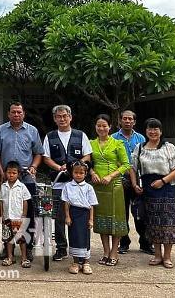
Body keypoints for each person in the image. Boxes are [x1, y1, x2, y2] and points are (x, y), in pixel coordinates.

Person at [130, 118, 175, 269]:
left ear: (161, 131)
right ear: (145, 131)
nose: (153, 132)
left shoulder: (168, 147)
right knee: (152, 223)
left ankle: (167, 257)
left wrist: (163, 181)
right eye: (150, 128)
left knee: (167, 223)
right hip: (148, 190)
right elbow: (132, 168)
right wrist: (135, 184)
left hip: (166, 189)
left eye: (156, 129)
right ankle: (157, 255)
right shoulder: (140, 147)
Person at [0, 101, 44, 261]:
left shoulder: (32, 130)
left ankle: (27, 248)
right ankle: (7, 247)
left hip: (26, 178)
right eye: (13, 112)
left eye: (19, 112)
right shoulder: (1, 130)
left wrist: (34, 166)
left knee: (27, 214)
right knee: (7, 213)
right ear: (8, 114)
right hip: (7, 176)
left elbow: (38, 152)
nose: (16, 115)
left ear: (24, 114)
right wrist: (1, 172)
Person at [42, 105, 92, 261]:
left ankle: (81, 249)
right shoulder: (50, 136)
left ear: (70, 117)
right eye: (58, 116)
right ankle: (61, 248)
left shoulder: (80, 135)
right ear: (55, 119)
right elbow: (46, 158)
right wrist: (59, 167)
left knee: (79, 217)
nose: (62, 119)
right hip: (58, 184)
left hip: (78, 185)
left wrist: (74, 167)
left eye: (65, 116)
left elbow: (87, 156)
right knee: (58, 218)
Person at [90, 114, 130, 267]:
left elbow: (126, 164)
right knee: (101, 219)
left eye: (104, 126)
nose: (101, 128)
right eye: (99, 125)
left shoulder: (117, 143)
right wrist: (92, 173)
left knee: (115, 218)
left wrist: (111, 176)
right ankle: (105, 251)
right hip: (97, 186)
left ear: (110, 127)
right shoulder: (90, 143)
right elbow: (87, 162)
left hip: (114, 186)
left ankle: (114, 252)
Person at [112, 110, 153, 255]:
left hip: (138, 179)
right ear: (120, 120)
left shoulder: (141, 138)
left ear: (134, 122)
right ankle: (124, 243)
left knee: (140, 213)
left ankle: (145, 243)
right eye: (125, 119)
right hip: (120, 179)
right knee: (121, 213)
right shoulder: (113, 138)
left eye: (130, 119)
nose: (127, 121)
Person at [62, 160, 98, 275]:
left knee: (85, 237)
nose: (78, 175)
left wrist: (91, 219)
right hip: (73, 213)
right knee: (74, 237)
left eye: (81, 173)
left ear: (85, 173)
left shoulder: (88, 187)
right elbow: (66, 203)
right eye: (76, 172)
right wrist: (67, 216)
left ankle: (86, 262)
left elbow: (91, 205)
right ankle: (76, 262)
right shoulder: (68, 186)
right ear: (72, 173)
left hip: (84, 214)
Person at [0, 161, 32, 268]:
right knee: (8, 239)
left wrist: (24, 215)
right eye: (9, 172)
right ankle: (10, 257)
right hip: (7, 217)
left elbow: (25, 201)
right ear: (5, 173)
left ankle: (24, 258)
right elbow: (1, 201)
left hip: (18, 217)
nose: (11, 175)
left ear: (18, 174)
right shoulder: (3, 187)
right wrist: (1, 215)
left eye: (14, 173)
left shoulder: (21, 187)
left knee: (21, 239)